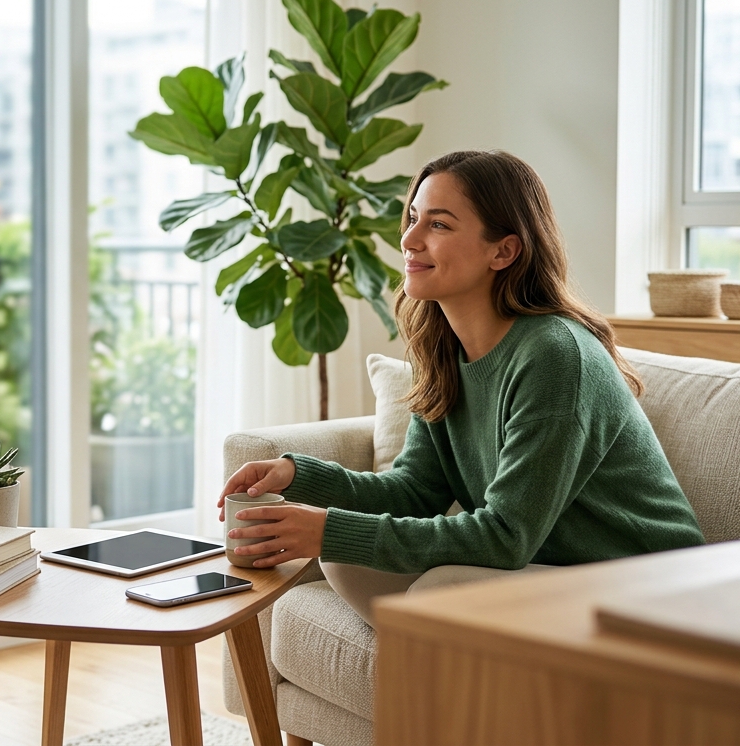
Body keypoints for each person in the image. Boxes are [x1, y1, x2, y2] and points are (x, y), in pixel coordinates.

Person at [217, 150, 705, 627]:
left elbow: (505, 536)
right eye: (413, 218)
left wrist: (330, 528)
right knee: (347, 559)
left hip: (645, 586)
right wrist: (295, 475)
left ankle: (449, 669)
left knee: (439, 591)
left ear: (504, 251)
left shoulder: (555, 355)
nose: (409, 239)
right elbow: (413, 492)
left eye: (439, 224)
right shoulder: (446, 351)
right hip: (546, 571)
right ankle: (447, 666)